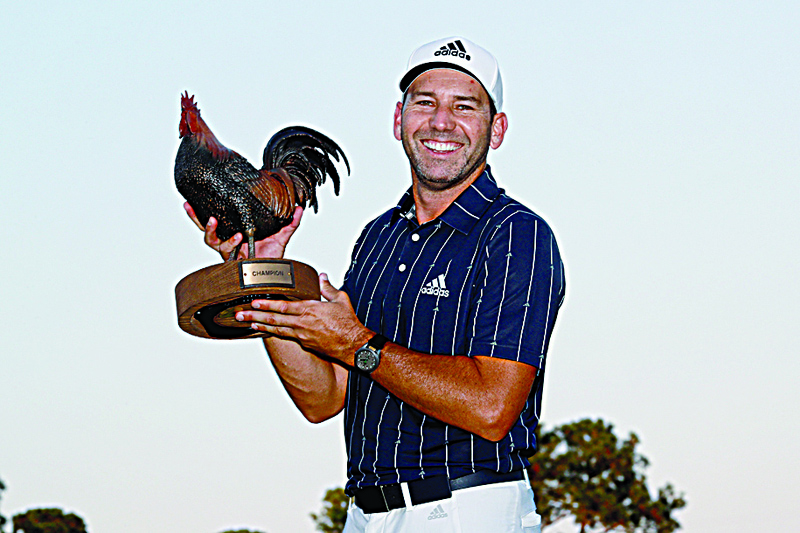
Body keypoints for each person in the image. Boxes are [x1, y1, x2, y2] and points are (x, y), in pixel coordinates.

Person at [186, 36, 565, 533]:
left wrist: (359, 345)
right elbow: (323, 399)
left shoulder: (517, 234)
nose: (441, 122)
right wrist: (264, 276)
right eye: (424, 103)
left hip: (466, 509)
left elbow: (492, 407)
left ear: (497, 131)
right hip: (365, 515)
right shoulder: (378, 237)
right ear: (398, 120)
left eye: (464, 106)